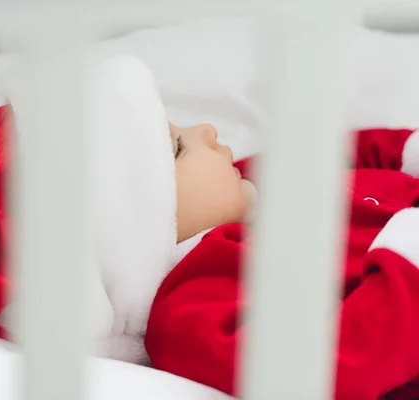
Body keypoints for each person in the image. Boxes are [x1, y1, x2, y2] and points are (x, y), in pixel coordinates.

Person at [146, 113, 419, 397]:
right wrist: (407, 265)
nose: (207, 130)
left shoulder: (244, 182)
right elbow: (325, 370)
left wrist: (407, 151)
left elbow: (332, 153)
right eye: (179, 148)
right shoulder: (191, 313)